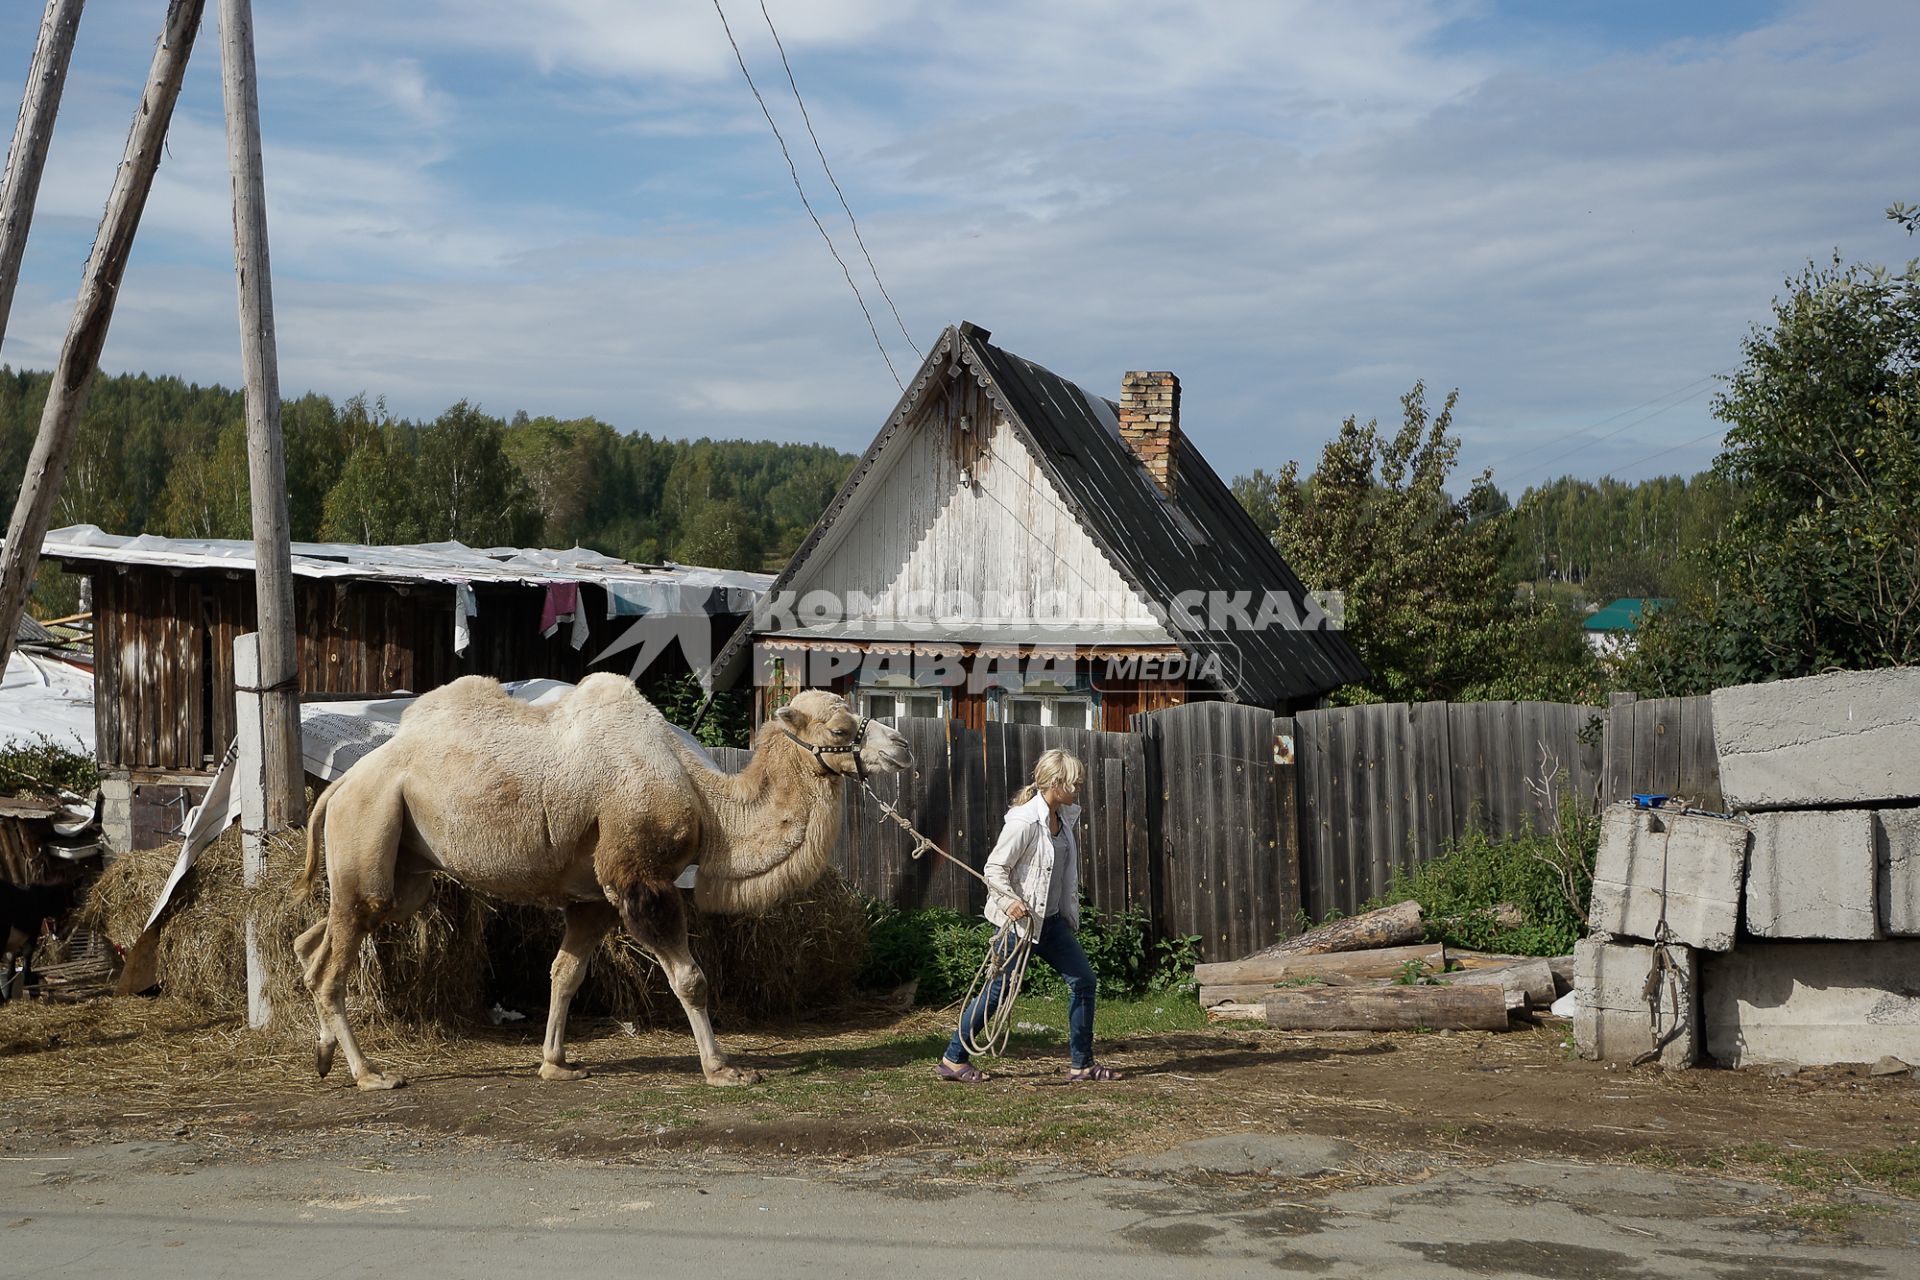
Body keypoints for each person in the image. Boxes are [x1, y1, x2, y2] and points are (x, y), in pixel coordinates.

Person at [935, 749, 1124, 1084]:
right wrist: (1009, 903)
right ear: (1054, 783)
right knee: (997, 994)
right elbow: (994, 869)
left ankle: (1082, 1064)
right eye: (1073, 783)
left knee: (1084, 981)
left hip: (1050, 924)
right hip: (1019, 927)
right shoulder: (1024, 822)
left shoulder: (1063, 818)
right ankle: (953, 1059)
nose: (1078, 789)